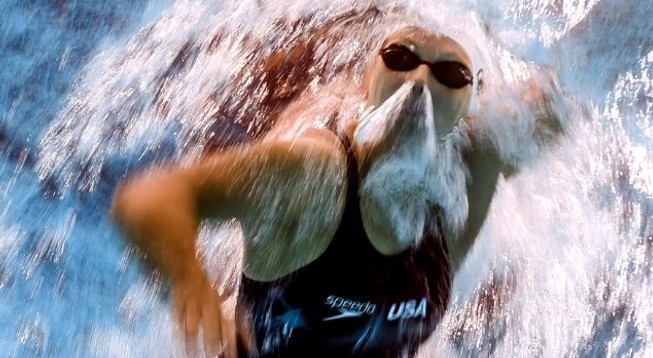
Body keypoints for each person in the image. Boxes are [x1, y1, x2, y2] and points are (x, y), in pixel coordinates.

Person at [111, 25, 558, 357]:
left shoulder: (464, 183)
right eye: (400, 56)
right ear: (367, 82)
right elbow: (148, 198)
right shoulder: (315, 180)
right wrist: (188, 280)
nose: (420, 79)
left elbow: (580, 82)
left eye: (450, 72)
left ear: (469, 104)